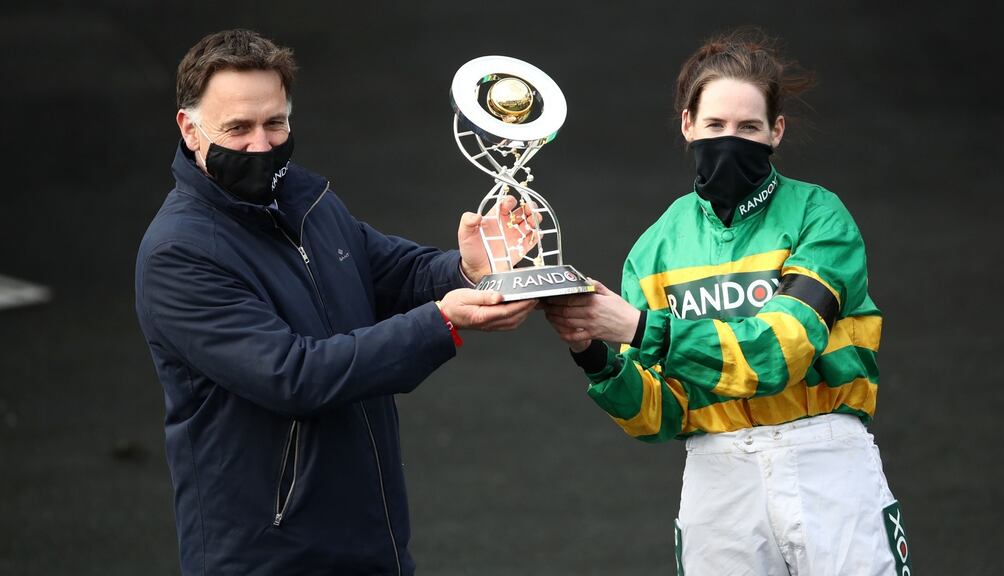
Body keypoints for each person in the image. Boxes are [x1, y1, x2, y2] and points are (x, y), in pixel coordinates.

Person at [134, 29, 538, 575]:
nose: (261, 145)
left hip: (370, 541)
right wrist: (441, 320)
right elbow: (293, 375)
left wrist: (468, 268)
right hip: (268, 557)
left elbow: (392, 271)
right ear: (190, 128)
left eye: (274, 123)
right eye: (238, 128)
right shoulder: (178, 254)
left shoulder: (305, 198)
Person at [543, 29, 912, 575]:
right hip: (716, 471)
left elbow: (780, 355)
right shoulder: (655, 248)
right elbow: (660, 416)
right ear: (688, 125)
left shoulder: (820, 217)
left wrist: (645, 329)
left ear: (776, 132)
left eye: (748, 127)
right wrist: (593, 352)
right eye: (715, 125)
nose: (730, 138)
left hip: (826, 457)